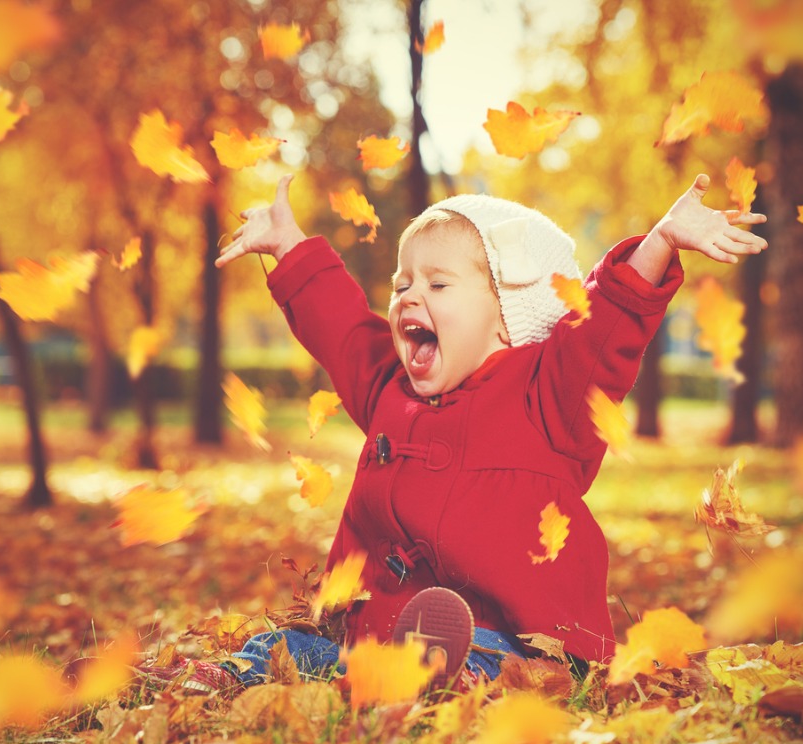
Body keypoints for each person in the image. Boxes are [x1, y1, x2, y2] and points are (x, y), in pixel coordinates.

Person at [149, 173, 767, 695]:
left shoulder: (550, 397)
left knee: (479, 667)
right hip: (379, 634)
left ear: (508, 319)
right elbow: (340, 329)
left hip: (516, 643)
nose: (410, 296)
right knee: (280, 647)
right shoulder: (390, 388)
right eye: (401, 285)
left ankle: (432, 683)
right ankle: (225, 677)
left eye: (438, 285)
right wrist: (288, 244)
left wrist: (659, 242)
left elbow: (605, 330)